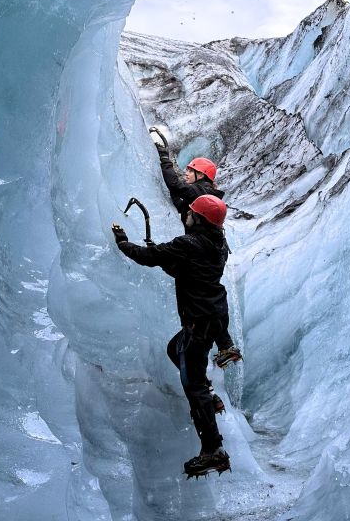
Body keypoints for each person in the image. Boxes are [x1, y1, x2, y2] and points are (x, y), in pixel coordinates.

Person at [111, 195, 232, 478]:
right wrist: (165, 256)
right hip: (213, 318)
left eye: (190, 213)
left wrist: (122, 242)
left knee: (192, 385)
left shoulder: (188, 244)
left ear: (198, 219)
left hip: (197, 324)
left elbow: (148, 258)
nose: (186, 215)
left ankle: (213, 450)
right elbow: (183, 268)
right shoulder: (218, 244)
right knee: (172, 349)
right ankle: (209, 393)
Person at [149, 127, 242, 370]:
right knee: (212, 297)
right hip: (214, 253)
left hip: (199, 252)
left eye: (190, 171)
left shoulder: (201, 192)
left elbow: (176, 186)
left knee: (202, 298)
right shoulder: (207, 194)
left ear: (201, 176)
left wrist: (163, 156)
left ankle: (204, 367)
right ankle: (225, 345)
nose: (187, 174)